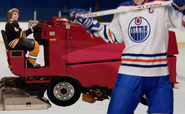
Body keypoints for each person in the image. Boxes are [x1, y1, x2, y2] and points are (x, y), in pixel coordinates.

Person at [70, 0, 185, 113]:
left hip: (159, 77)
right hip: (129, 75)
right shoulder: (123, 9)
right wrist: (93, 25)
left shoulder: (162, 5)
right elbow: (114, 36)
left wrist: (183, 8)